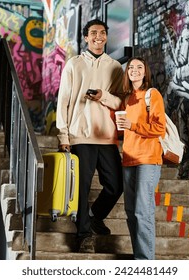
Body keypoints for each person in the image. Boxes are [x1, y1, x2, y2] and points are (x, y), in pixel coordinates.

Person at [56, 19, 124, 253]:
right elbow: (63, 101)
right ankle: (84, 235)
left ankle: (95, 217)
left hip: (106, 136)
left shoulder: (115, 66)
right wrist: (63, 135)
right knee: (81, 188)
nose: (98, 36)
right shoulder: (73, 65)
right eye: (93, 33)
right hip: (79, 136)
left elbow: (119, 102)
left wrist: (103, 96)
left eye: (102, 33)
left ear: (106, 37)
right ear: (86, 37)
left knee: (115, 186)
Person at [116, 57, 166, 260]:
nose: (135, 70)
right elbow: (125, 130)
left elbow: (159, 128)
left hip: (148, 160)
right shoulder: (127, 99)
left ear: (145, 72)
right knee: (130, 211)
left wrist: (132, 126)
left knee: (142, 212)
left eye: (139, 67)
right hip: (128, 159)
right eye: (131, 68)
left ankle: (145, 261)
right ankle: (139, 254)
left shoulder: (152, 95)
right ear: (127, 73)